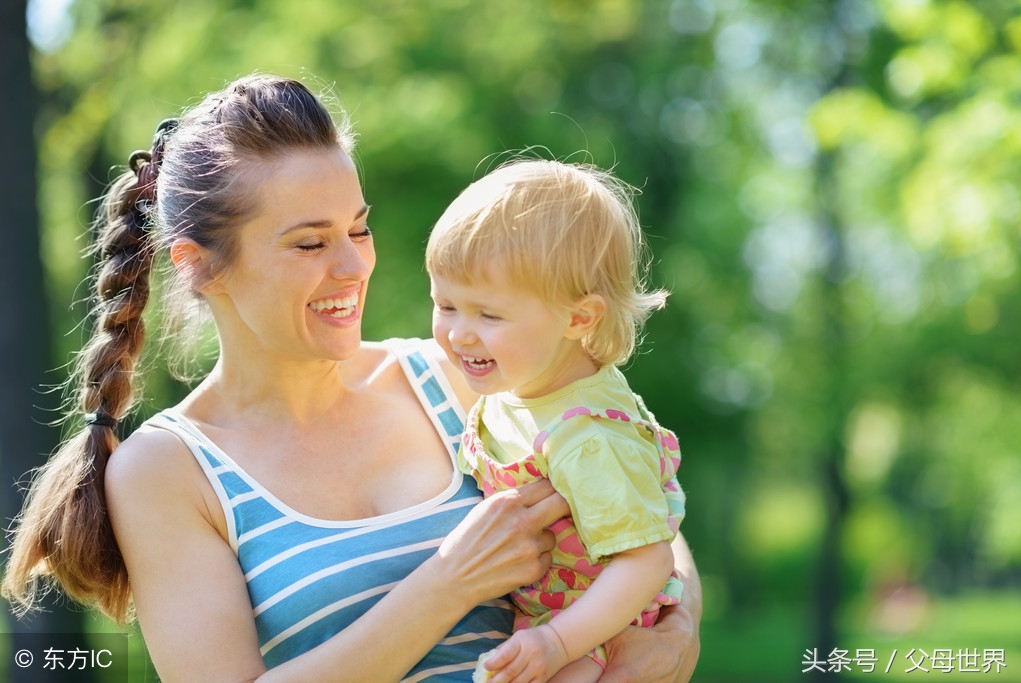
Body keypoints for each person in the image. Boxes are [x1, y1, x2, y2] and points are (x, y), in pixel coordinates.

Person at [1, 73, 702, 682]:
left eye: (357, 230)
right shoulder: (168, 470)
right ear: (197, 264)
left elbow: (636, 506)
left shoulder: (457, 376)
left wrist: (677, 632)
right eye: (309, 242)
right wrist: (448, 583)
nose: (351, 266)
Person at [426, 160, 686, 683]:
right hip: (546, 618)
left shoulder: (586, 435)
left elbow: (648, 560)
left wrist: (556, 642)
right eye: (445, 304)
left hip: (597, 630)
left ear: (579, 317)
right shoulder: (518, 383)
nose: (459, 335)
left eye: (489, 315)